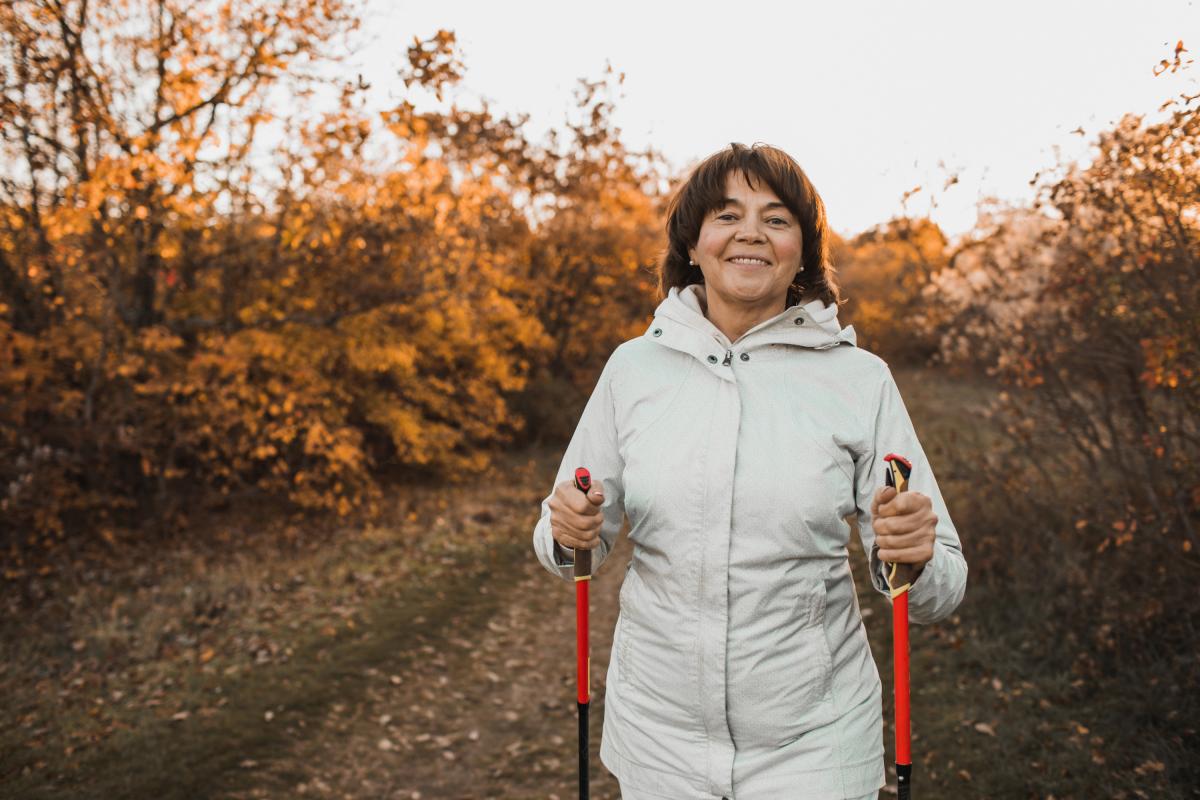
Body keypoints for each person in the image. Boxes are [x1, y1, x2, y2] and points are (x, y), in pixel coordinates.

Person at [531, 142, 967, 800]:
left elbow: (938, 589)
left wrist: (918, 556)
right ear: (693, 243)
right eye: (727, 215)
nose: (751, 234)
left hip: (815, 746)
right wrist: (567, 529)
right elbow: (567, 542)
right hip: (657, 742)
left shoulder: (860, 381)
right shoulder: (632, 370)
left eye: (777, 218)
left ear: (802, 252)